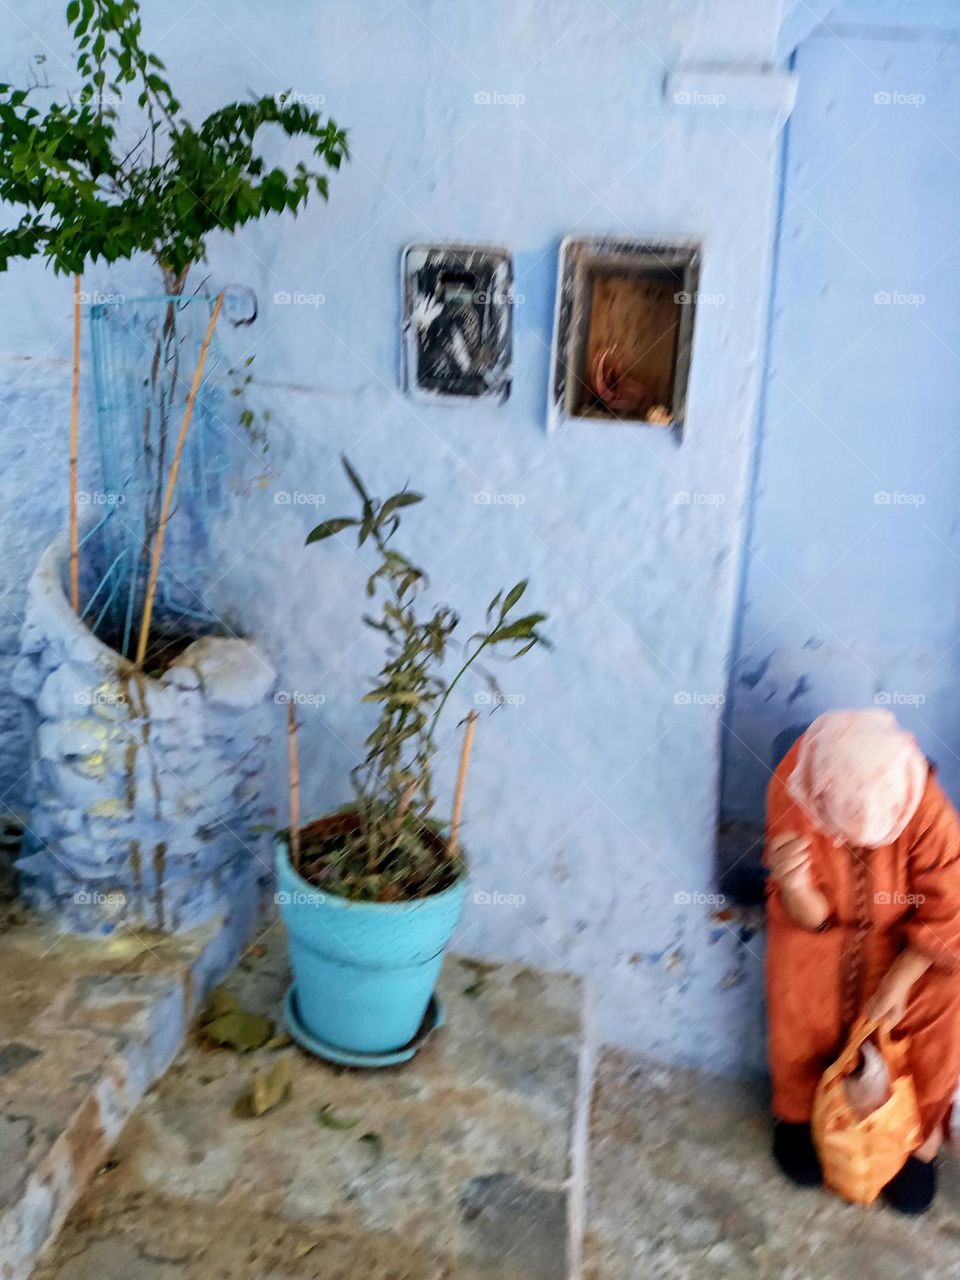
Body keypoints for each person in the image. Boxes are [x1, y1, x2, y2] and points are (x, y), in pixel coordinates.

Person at [764, 708, 960, 1214]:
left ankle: (919, 1141)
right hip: (823, 926)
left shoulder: (927, 804)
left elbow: (950, 909)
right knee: (798, 973)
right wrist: (795, 886)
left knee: (944, 997)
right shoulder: (796, 785)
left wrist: (898, 981)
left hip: (911, 939)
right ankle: (797, 1113)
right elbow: (806, 916)